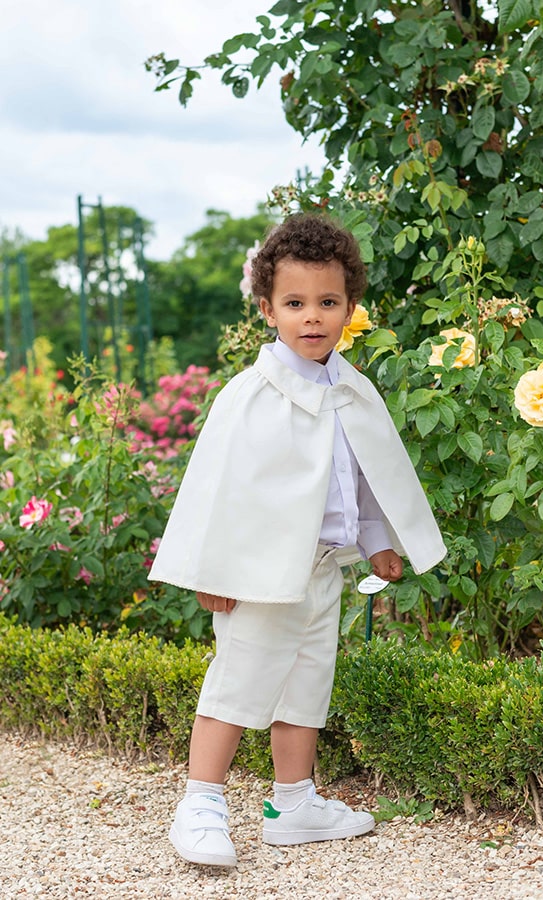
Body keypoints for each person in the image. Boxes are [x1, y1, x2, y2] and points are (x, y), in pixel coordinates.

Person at [149, 213, 446, 868]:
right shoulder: (251, 395)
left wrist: (378, 540)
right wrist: (216, 567)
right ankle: (200, 802)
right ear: (267, 309)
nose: (312, 317)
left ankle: (293, 803)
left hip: (321, 572)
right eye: (295, 303)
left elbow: (365, 478)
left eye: (327, 302)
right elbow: (219, 483)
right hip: (256, 573)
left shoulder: (351, 390)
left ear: (349, 307)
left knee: (308, 682)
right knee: (241, 679)